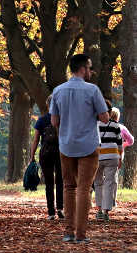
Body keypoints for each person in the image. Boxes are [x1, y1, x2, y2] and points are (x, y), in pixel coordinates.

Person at [50, 54, 109, 243]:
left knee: (69, 187)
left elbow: (54, 121)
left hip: (66, 145)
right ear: (83, 68)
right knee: (84, 188)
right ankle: (81, 234)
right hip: (89, 145)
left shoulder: (58, 91)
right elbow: (105, 117)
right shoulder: (93, 91)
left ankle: (68, 232)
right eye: (89, 68)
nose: (91, 71)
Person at [30, 95, 64, 220]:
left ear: (48, 105)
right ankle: (60, 208)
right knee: (60, 181)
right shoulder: (62, 119)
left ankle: (51, 212)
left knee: (49, 183)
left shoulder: (41, 120)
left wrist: (32, 155)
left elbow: (35, 140)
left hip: (46, 153)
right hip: (61, 153)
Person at [94, 106, 123, 221]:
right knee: (109, 183)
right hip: (112, 156)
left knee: (98, 183)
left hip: (97, 157)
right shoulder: (115, 125)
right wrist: (120, 157)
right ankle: (106, 212)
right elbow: (120, 143)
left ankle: (99, 210)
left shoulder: (95, 124)